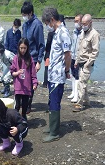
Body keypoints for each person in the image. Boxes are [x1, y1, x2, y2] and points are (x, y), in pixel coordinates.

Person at [41, 7, 72, 142]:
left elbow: (68, 55)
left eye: (48, 23)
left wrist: (66, 70)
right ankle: (53, 126)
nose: (48, 26)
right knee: (52, 100)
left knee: (55, 102)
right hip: (53, 73)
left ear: (52, 20)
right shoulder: (56, 32)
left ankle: (54, 132)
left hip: (58, 75)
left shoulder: (63, 33)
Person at [21, 1, 45, 114]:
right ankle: (24, 101)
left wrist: (39, 61)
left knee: (30, 82)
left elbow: (41, 44)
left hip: (33, 57)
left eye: (25, 14)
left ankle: (28, 104)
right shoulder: (24, 25)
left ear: (31, 13)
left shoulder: (37, 24)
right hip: (23, 57)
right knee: (22, 79)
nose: (23, 17)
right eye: (22, 15)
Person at [73, 14, 100, 112]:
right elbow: (80, 49)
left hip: (87, 64)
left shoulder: (94, 34)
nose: (83, 25)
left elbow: (95, 52)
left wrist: (88, 63)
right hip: (80, 62)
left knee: (82, 83)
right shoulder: (82, 33)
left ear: (90, 23)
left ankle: (79, 104)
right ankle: (87, 102)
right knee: (82, 83)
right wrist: (76, 61)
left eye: (85, 24)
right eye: (82, 23)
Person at [10, 38, 38, 121]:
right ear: (18, 47)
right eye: (21, 48)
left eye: (24, 48)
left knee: (25, 105)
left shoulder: (30, 59)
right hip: (18, 86)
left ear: (27, 48)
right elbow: (12, 72)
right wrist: (17, 72)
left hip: (26, 87)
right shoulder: (15, 58)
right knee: (17, 105)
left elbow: (33, 74)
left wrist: (35, 83)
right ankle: (15, 119)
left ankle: (23, 118)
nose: (22, 50)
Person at [68, 14, 83, 102]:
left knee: (77, 76)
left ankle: (77, 95)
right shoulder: (74, 31)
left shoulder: (83, 33)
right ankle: (73, 92)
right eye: (75, 21)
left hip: (79, 58)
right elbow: (72, 43)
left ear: (81, 22)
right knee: (73, 75)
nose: (75, 23)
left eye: (77, 21)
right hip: (72, 56)